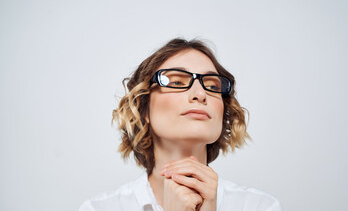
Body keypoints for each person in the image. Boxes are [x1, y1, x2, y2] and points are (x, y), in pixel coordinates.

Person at [79, 38, 282, 211]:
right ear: (144, 108)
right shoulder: (99, 209)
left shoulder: (259, 207)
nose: (201, 94)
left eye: (212, 86)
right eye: (176, 82)